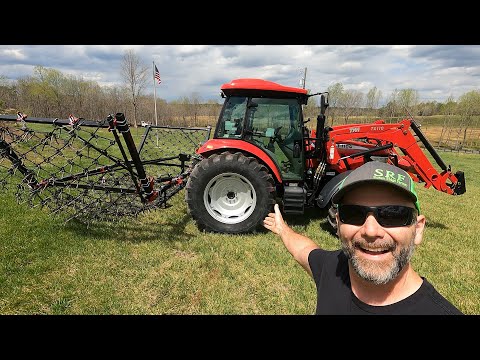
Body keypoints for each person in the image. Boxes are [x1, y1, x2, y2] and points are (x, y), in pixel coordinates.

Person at [263, 161, 463, 315]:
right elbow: (303, 250)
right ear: (339, 223)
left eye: (392, 214)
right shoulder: (332, 268)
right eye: (354, 214)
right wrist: (282, 229)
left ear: (418, 230)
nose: (370, 230)